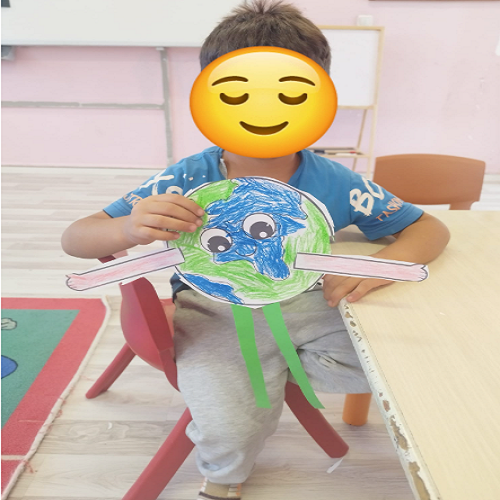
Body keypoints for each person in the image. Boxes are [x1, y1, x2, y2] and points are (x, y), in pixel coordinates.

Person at [61, 1, 450, 499]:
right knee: (229, 427)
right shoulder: (188, 176)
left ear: (318, 97)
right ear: (209, 96)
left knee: (418, 365)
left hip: (313, 302)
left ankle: (276, 371)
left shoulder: (334, 180)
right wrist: (130, 228)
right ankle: (224, 477)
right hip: (214, 314)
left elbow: (428, 229)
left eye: (290, 95)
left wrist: (383, 266)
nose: (263, 111)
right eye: (236, 95)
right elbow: (77, 237)